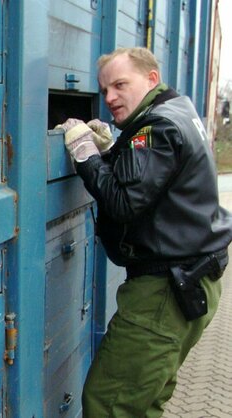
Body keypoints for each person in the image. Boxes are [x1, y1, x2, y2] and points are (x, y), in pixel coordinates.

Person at [60, 47, 232, 417]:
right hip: (189, 279)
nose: (109, 98)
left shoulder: (159, 127)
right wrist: (113, 152)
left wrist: (86, 154)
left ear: (152, 78)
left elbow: (124, 203)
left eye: (120, 84)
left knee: (110, 403)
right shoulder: (179, 112)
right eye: (104, 90)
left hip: (165, 291)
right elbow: (156, 181)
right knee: (143, 398)